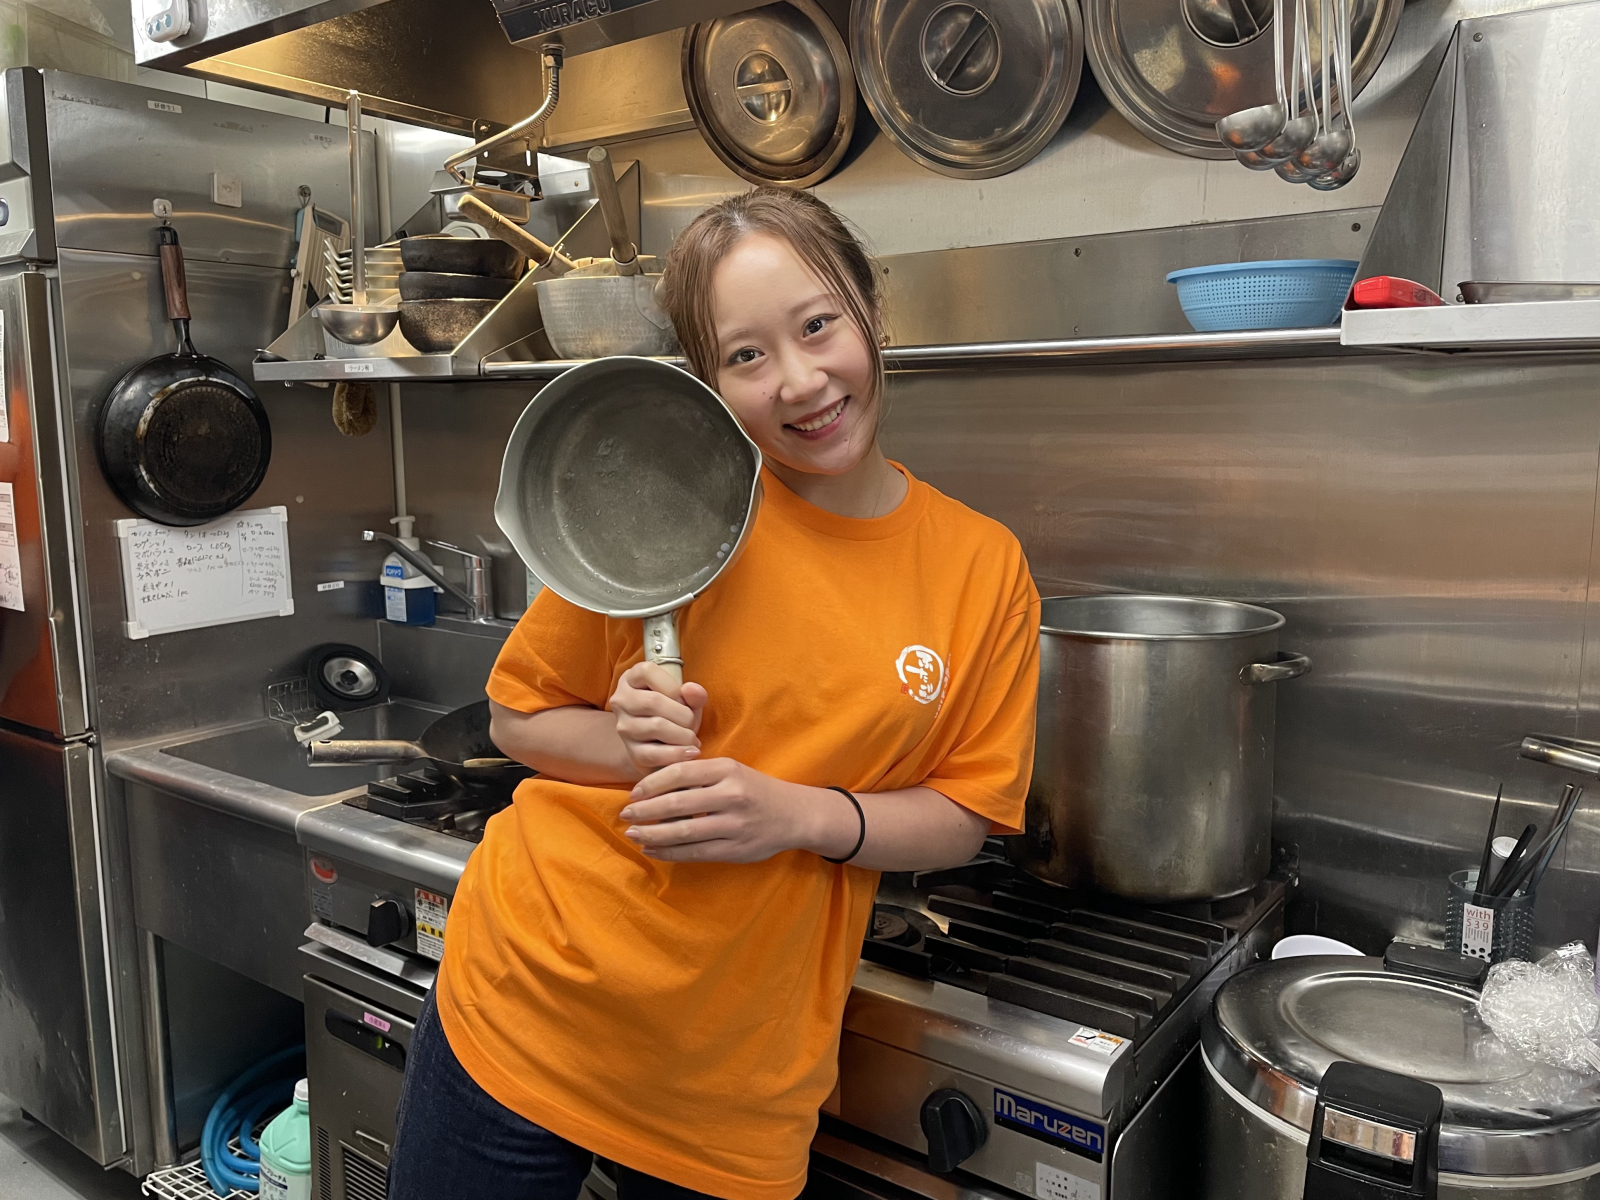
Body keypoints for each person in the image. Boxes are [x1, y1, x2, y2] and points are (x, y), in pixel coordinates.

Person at [387, 187, 1040, 1200]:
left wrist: (793, 814)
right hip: (529, 995)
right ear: (708, 382)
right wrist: (625, 744)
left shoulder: (978, 567)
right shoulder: (663, 494)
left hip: (734, 1068)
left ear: (868, 308)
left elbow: (965, 816)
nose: (799, 381)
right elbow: (520, 714)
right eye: (745, 356)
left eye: (818, 326)